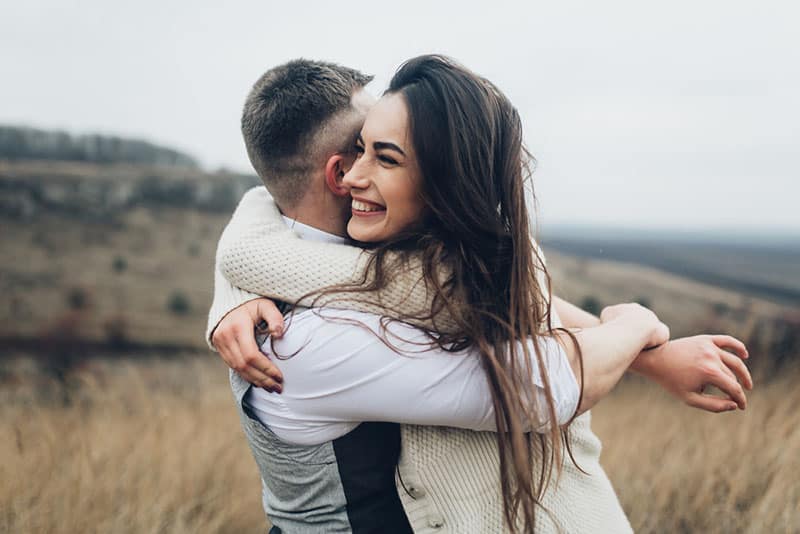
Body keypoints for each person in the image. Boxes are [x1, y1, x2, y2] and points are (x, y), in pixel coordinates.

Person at [208, 56, 752, 533]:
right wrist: (636, 326)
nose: (362, 171)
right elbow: (538, 387)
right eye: (363, 148)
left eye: (387, 152)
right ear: (337, 170)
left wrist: (654, 360)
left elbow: (503, 304)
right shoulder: (304, 340)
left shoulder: (379, 266)